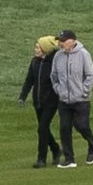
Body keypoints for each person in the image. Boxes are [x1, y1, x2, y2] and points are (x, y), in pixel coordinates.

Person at [49, 30, 93, 168]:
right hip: (64, 99)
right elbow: (54, 76)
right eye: (60, 41)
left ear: (73, 41)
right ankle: (69, 159)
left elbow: (90, 76)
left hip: (81, 99)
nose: (61, 43)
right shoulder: (58, 56)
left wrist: (84, 91)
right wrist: (59, 90)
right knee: (64, 128)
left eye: (64, 41)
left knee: (81, 125)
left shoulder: (83, 54)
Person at [18, 35, 63, 167]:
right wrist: (22, 96)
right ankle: (55, 149)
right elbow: (29, 80)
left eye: (38, 47)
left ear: (45, 49)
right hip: (37, 101)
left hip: (51, 101)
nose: (35, 49)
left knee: (42, 128)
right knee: (43, 129)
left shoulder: (54, 63)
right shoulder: (35, 62)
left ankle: (41, 159)